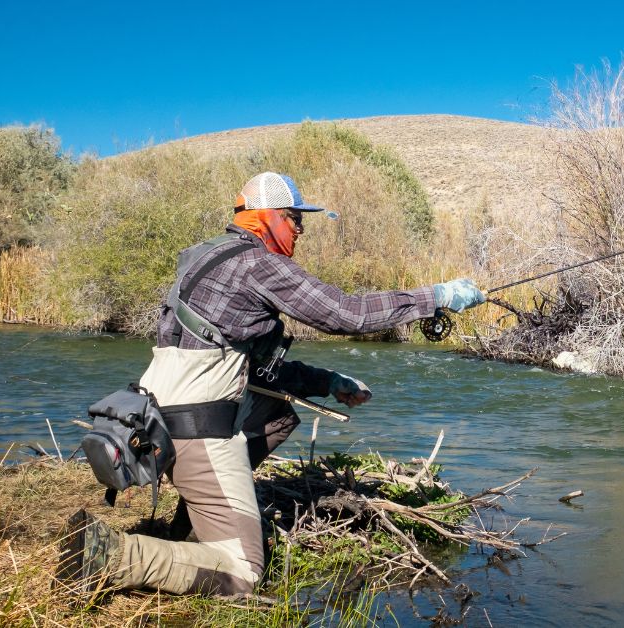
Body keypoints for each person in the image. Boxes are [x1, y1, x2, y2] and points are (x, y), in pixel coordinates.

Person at [56, 171, 486, 596]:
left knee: (277, 416)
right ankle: (107, 555)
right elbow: (346, 312)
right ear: (268, 216)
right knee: (244, 571)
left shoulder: (208, 258)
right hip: (198, 430)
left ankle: (195, 522)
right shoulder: (258, 262)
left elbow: (259, 371)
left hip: (153, 422)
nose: (300, 230)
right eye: (295, 219)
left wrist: (328, 381)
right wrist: (436, 297)